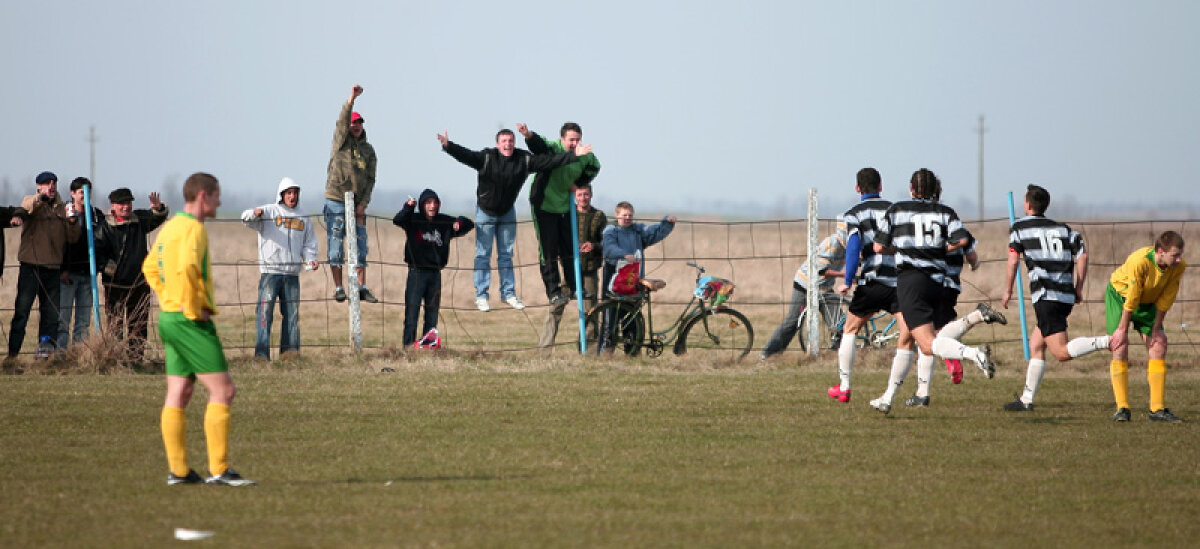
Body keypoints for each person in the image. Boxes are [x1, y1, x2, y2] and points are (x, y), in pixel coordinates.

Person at [143, 172, 254, 486]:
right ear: (204, 196)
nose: (220, 201)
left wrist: (168, 299)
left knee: (179, 392)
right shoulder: (193, 229)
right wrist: (193, 308)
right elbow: (190, 268)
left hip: (169, 318)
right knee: (224, 390)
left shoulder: (171, 227)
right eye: (217, 195)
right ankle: (219, 471)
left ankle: (178, 472)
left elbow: (150, 266)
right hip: (189, 321)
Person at [870, 169, 992, 411]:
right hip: (937, 283)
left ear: (911, 188)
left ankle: (973, 354)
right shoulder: (945, 212)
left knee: (927, 344)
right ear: (935, 189)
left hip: (911, 282)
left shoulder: (897, 209)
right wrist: (939, 250)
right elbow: (963, 240)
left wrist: (901, 250)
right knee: (906, 337)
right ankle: (888, 397)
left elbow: (877, 247)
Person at [437, 128, 592, 312]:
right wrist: (448, 146)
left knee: (506, 255)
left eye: (510, 140)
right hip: (486, 212)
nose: (508, 144)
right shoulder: (487, 158)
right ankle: (481, 295)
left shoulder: (523, 160)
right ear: (497, 144)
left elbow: (549, 161)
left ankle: (508, 293)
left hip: (507, 212)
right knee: (482, 255)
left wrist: (573, 155)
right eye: (504, 141)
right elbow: (467, 156)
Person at [999, 185, 1109, 411]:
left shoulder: (1019, 227)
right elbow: (1083, 255)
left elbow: (1012, 260)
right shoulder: (1064, 229)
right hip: (1064, 296)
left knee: (1060, 352)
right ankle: (1026, 401)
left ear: (1028, 204)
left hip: (1046, 296)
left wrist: (1008, 290)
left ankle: (1107, 341)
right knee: (1036, 344)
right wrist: (1079, 287)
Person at [829, 168, 909, 404]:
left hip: (872, 281)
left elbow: (853, 249)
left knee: (850, 330)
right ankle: (916, 388)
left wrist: (847, 281)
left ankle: (844, 387)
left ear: (857, 188)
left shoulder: (853, 214)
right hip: (898, 281)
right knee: (912, 333)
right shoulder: (896, 210)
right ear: (880, 186)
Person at [1103, 231, 1186, 422]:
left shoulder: (1178, 266)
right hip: (1120, 296)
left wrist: (1156, 328)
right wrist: (1122, 329)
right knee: (1119, 346)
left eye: (1180, 254)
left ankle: (1157, 410)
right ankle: (1122, 408)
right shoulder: (1139, 261)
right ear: (1160, 251)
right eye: (1175, 255)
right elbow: (1132, 295)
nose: (1179, 259)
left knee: (1159, 344)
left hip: (1148, 302)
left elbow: (1168, 296)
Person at [518, 122, 601, 306]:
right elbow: (539, 145)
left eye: (578, 139)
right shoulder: (553, 147)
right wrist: (529, 135)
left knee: (569, 249)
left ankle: (575, 287)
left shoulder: (585, 154)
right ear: (562, 139)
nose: (574, 143)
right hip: (544, 204)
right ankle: (554, 292)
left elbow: (594, 167)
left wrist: (579, 183)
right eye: (571, 140)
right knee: (548, 251)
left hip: (565, 206)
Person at [241, 177, 319, 360]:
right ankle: (261, 356)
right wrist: (255, 213)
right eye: (289, 193)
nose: (292, 196)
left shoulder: (304, 217)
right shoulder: (269, 211)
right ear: (281, 195)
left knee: (291, 315)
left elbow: (309, 244)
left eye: (295, 193)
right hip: (270, 273)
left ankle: (290, 355)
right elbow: (245, 219)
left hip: (292, 275)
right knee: (265, 313)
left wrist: (311, 260)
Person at [9, 171, 80, 359]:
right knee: (22, 312)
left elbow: (72, 238)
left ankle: (45, 355)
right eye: (47, 183)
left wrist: (72, 222)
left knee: (50, 315)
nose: (51, 186)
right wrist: (39, 199)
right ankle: (13, 354)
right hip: (31, 268)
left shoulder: (62, 209)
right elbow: (25, 209)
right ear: (38, 186)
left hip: (53, 268)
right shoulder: (31, 202)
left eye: (54, 183)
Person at [94, 187, 169, 362]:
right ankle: (116, 359)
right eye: (122, 204)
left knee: (139, 325)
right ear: (113, 206)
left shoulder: (140, 220)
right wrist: (110, 269)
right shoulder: (104, 228)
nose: (126, 207)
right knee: (115, 324)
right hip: (115, 285)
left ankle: (136, 359)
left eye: (128, 203)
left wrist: (158, 208)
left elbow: (158, 217)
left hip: (139, 282)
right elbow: (97, 254)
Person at [392, 189, 474, 346]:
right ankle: (408, 348)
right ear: (422, 205)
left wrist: (460, 223)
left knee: (432, 315)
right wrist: (408, 207)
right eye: (428, 203)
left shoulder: (444, 222)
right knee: (412, 313)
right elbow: (398, 220)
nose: (432, 206)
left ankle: (428, 346)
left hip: (435, 274)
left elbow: (469, 224)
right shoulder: (413, 220)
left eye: (435, 203)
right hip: (416, 273)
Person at [324, 84, 378, 304]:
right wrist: (351, 99)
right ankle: (339, 287)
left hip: (357, 205)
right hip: (336, 199)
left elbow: (371, 179)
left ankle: (361, 287)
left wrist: (363, 204)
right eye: (353, 122)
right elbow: (341, 121)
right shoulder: (340, 142)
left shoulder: (368, 150)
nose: (356, 126)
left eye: (359, 123)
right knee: (336, 246)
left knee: (360, 246)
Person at [598, 201, 676, 353]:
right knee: (611, 318)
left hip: (633, 279)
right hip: (614, 279)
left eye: (630, 215)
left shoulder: (637, 231)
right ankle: (605, 353)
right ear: (617, 215)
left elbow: (653, 232)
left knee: (632, 317)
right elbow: (608, 248)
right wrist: (623, 255)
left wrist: (667, 223)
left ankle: (632, 351)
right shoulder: (610, 231)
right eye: (624, 215)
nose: (627, 218)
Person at [538, 184, 607, 350]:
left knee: (591, 311)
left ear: (591, 195)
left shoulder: (599, 216)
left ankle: (588, 353)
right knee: (556, 308)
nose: (583, 198)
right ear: (575, 196)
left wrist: (594, 246)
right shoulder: (568, 215)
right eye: (580, 195)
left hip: (589, 270)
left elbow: (606, 241)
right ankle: (544, 350)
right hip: (569, 272)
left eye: (586, 194)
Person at [760, 232, 845, 360]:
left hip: (825, 286)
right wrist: (846, 276)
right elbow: (821, 270)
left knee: (838, 323)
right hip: (805, 284)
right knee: (793, 321)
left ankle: (840, 355)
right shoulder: (831, 243)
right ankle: (768, 354)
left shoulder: (853, 245)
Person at [57, 177, 105, 349]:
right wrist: (63, 269)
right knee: (63, 317)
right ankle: (60, 354)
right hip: (68, 274)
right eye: (80, 192)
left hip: (88, 273)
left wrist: (99, 266)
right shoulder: (63, 214)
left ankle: (79, 353)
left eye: (87, 192)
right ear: (72, 193)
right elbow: (59, 244)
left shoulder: (96, 215)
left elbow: (101, 242)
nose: (85, 195)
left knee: (83, 319)